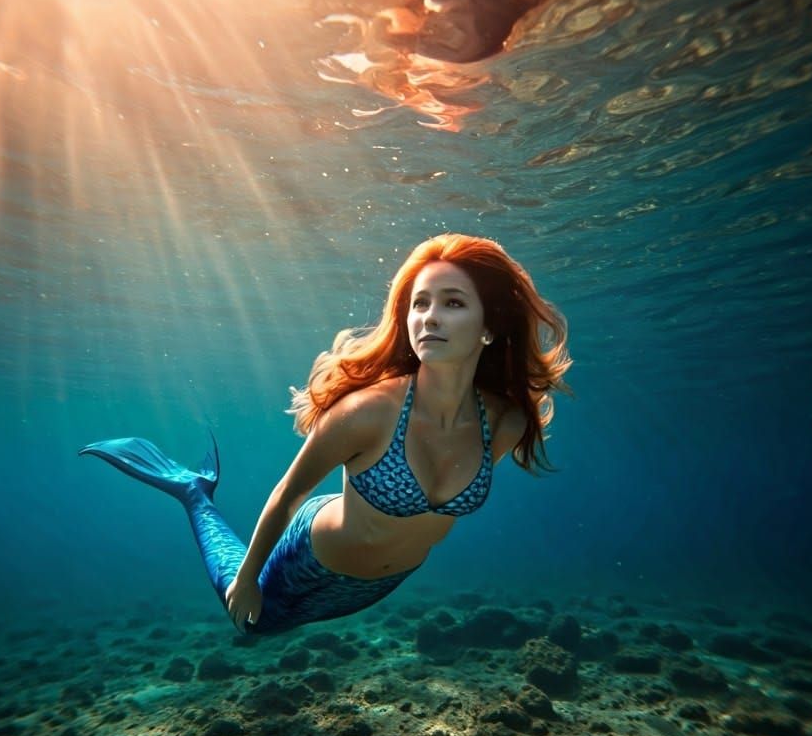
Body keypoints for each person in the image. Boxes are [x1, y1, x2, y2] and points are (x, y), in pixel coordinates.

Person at [80, 233, 572, 636]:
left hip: (381, 584)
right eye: (419, 302)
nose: (430, 317)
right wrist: (247, 580)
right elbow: (289, 494)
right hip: (310, 557)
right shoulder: (366, 413)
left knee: (280, 628)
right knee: (259, 625)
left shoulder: (505, 423)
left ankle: (197, 495)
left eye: (454, 302)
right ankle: (194, 495)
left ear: (490, 326)